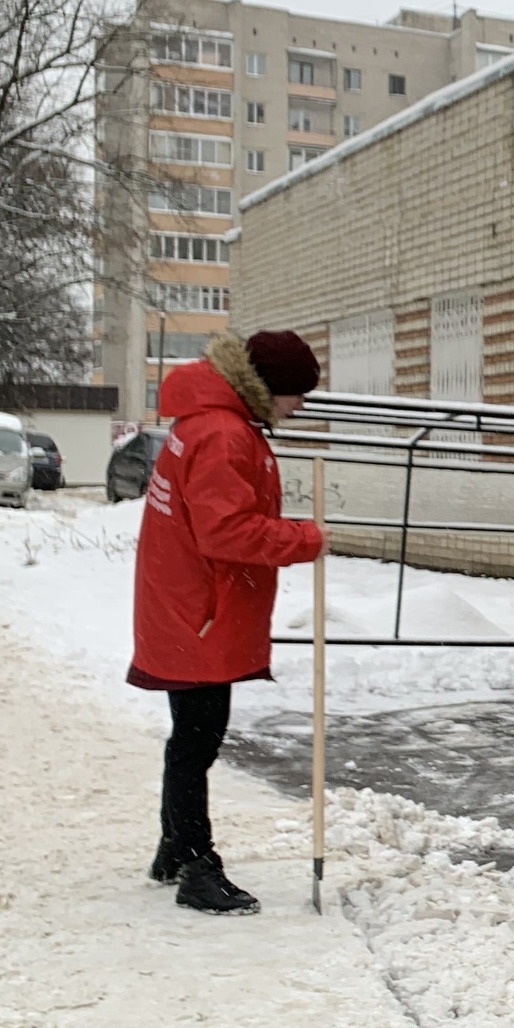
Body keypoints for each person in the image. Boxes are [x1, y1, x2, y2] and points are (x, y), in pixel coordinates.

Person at [130, 330, 327, 915]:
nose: (301, 407)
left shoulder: (209, 420)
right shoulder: (222, 432)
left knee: (191, 736)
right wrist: (306, 539)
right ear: (268, 387)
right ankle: (196, 867)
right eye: (297, 395)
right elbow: (226, 531)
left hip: (186, 605)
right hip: (198, 613)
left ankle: (174, 847)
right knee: (198, 739)